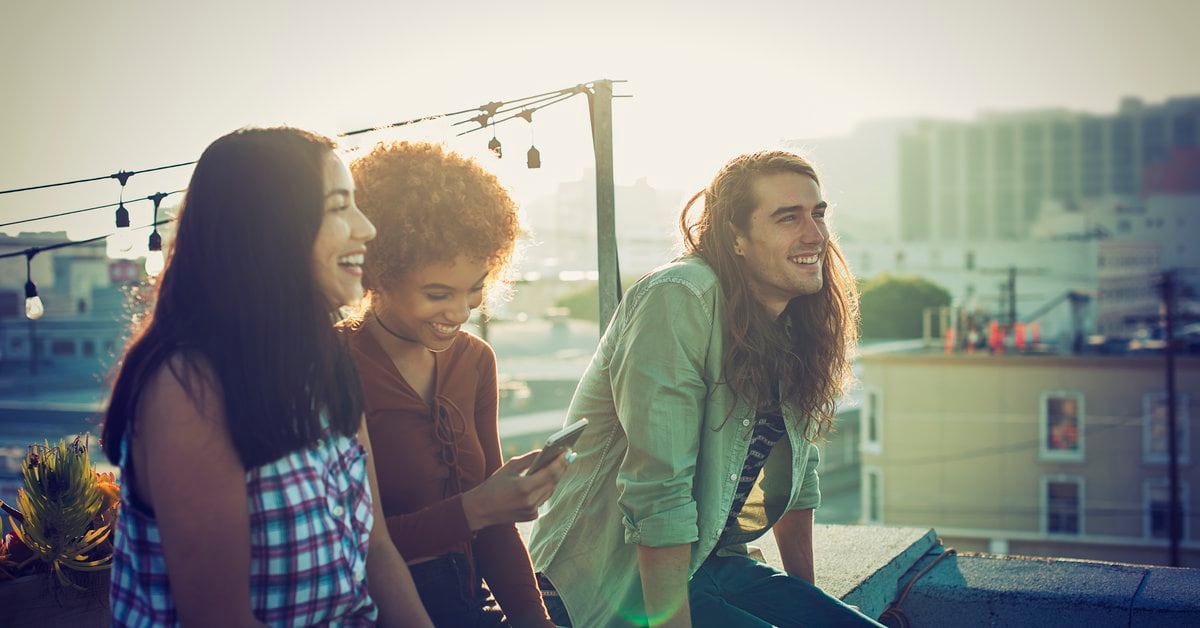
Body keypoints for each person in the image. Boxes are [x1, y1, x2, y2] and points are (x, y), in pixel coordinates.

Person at [528, 150, 884, 627]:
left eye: (818, 214)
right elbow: (659, 491)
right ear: (736, 237)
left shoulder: (794, 318)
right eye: (788, 218)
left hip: (714, 565)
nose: (816, 235)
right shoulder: (679, 297)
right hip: (613, 583)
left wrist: (811, 605)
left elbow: (800, 477)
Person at [102, 127, 433, 627]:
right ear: (270, 229)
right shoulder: (189, 388)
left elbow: (378, 552)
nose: (366, 228)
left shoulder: (324, 363)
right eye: (340, 206)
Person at [344, 141, 566, 627]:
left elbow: (495, 529)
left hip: (468, 603)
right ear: (379, 273)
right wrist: (476, 509)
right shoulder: (333, 364)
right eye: (438, 294)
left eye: (475, 289)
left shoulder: (475, 360)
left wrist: (535, 619)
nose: (461, 312)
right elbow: (354, 546)